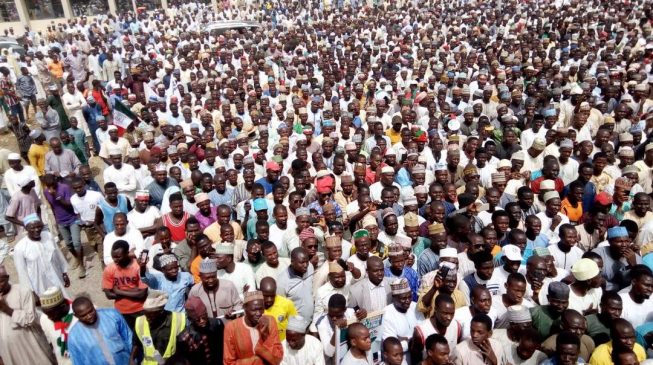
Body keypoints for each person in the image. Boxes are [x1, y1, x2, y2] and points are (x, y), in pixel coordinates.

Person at [0, 264, 57, 365]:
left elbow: (30, 319)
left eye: (1, 281)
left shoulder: (22, 291)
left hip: (31, 347)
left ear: (7, 278)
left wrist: (6, 309)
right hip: (10, 353)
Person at [13, 214, 70, 297]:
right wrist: (31, 293)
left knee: (63, 299)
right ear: (26, 228)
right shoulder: (20, 248)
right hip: (38, 285)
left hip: (56, 277)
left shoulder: (48, 236)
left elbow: (58, 255)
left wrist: (64, 273)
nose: (36, 230)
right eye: (32, 228)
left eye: (39, 227)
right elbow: (22, 273)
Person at [223, 290, 284, 365]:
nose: (258, 313)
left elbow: (277, 358)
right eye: (254, 310)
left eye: (261, 309)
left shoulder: (270, 321)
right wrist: (256, 361)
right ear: (244, 308)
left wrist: (265, 335)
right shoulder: (231, 327)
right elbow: (228, 362)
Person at [102, 240, 148, 328]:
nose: (115, 260)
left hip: (141, 309)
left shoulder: (138, 267)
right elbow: (109, 295)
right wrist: (134, 291)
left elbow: (142, 294)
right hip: (121, 311)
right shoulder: (109, 269)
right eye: (113, 257)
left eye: (118, 257)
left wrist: (119, 291)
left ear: (127, 253)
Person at [132, 291, 186, 365]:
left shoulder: (178, 320)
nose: (147, 318)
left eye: (151, 315)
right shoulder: (140, 322)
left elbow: (184, 349)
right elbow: (136, 344)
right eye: (146, 314)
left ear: (160, 312)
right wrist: (131, 359)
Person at [175, 296, 225, 363]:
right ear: (191, 319)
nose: (202, 321)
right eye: (197, 320)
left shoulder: (217, 324)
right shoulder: (184, 338)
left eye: (204, 317)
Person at [382, 278, 423, 358]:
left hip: (420, 353)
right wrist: (414, 340)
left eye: (409, 297)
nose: (408, 301)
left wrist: (406, 340)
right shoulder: (387, 313)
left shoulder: (415, 306)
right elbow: (392, 346)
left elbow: (424, 331)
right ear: (394, 298)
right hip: (400, 358)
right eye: (403, 298)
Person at [38, 286, 75, 365]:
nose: (49, 317)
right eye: (46, 313)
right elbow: (50, 344)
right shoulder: (44, 319)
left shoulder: (82, 312)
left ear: (63, 306)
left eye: (51, 314)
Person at [261, 276, 298, 341]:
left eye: (272, 296)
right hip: (264, 345)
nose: (269, 299)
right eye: (266, 296)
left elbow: (295, 325)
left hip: (283, 344)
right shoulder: (256, 306)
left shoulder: (287, 304)